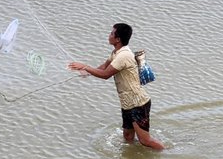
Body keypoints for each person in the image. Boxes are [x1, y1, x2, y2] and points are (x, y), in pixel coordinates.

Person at [68, 23, 165, 151]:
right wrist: (85, 72)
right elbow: (103, 67)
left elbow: (105, 75)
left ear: (118, 39)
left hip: (138, 103)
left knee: (145, 140)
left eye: (112, 33)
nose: (109, 35)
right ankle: (133, 158)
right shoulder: (116, 52)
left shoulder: (123, 56)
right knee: (128, 136)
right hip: (128, 103)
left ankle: (166, 152)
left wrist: (85, 66)